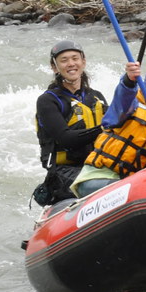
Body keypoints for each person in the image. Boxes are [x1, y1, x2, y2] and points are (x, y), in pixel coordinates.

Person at [70, 62, 146, 198]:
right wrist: (129, 81)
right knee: (134, 190)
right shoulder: (131, 106)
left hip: (132, 183)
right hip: (98, 177)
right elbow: (122, 99)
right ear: (145, 89)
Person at [32, 40, 108, 206]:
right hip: (63, 173)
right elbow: (65, 139)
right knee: (109, 186)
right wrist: (103, 128)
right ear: (55, 67)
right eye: (64, 60)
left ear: (83, 62)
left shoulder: (96, 97)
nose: (71, 64)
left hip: (98, 166)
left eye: (75, 58)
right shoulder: (48, 101)